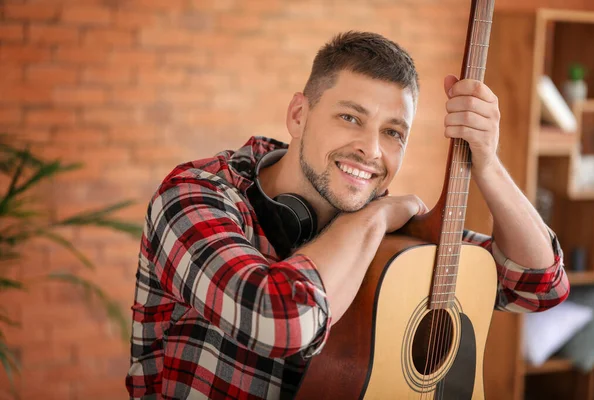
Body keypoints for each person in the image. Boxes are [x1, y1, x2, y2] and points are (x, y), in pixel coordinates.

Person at [126, 31, 569, 400]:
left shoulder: (391, 228)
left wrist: (487, 162)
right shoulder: (192, 196)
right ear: (299, 115)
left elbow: (537, 286)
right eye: (351, 118)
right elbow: (279, 322)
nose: (372, 151)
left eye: (393, 132)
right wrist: (372, 220)